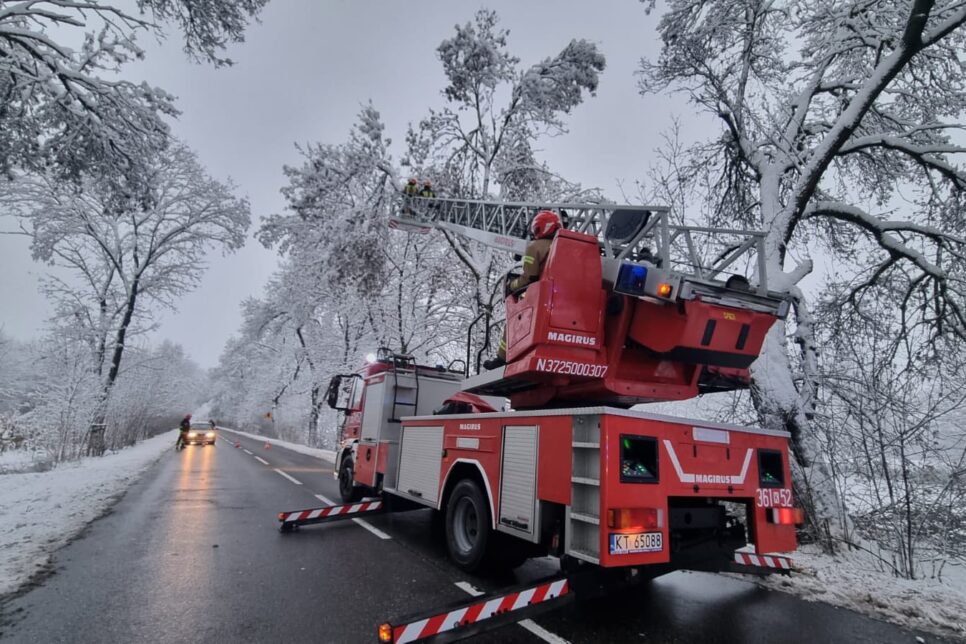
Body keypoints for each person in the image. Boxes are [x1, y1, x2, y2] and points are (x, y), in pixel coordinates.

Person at [482, 210, 562, 370]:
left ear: (541, 228)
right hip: (564, 303)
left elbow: (529, 278)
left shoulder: (535, 247)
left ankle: (502, 358)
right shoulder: (566, 248)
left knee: (513, 323)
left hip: (542, 300)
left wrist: (511, 285)